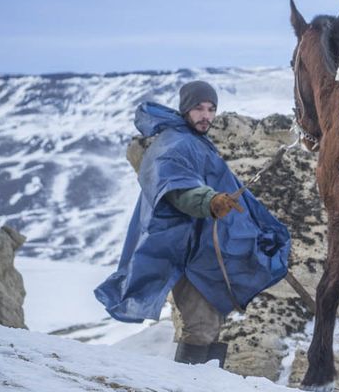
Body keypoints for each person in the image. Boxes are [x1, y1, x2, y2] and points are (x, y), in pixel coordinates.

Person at [95, 81, 291, 366]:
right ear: (185, 108)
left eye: (211, 109)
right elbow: (177, 189)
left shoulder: (192, 140)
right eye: (199, 108)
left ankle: (203, 381)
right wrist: (209, 202)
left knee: (210, 323)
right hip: (184, 253)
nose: (206, 116)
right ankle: (191, 383)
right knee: (200, 327)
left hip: (198, 250)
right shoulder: (175, 144)